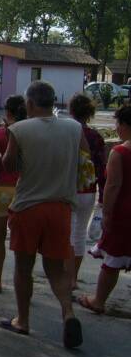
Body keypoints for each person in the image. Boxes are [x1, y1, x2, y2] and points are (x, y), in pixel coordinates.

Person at [0, 80, 87, 349]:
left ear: (29, 103)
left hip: (28, 207)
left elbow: (9, 164)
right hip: (60, 207)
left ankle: (23, 320)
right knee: (56, 269)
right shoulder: (74, 128)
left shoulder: (19, 129)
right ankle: (68, 313)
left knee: (23, 267)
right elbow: (84, 156)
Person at [79, 104, 131, 314]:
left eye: (118, 123)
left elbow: (113, 186)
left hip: (124, 211)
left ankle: (98, 300)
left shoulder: (120, 152)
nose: (116, 127)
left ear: (125, 125)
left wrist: (106, 212)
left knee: (112, 258)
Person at [0, 95, 26, 293]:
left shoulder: (0, 134)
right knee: (22, 241)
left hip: (2, 189)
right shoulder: (29, 132)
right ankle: (22, 282)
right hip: (24, 189)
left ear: (7, 111)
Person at [68, 93, 107, 291]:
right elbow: (101, 168)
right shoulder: (96, 137)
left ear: (71, 111)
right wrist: (102, 196)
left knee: (68, 234)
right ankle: (73, 278)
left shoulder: (67, 132)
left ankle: (65, 276)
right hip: (88, 190)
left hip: (68, 189)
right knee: (80, 234)